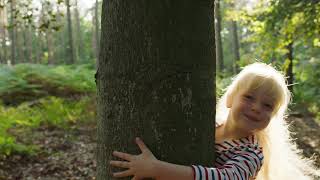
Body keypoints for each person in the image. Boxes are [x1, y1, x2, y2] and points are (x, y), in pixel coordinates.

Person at [109, 62, 319, 180]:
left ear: (272, 117)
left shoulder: (250, 154)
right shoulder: (208, 126)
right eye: (248, 97)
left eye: (267, 106)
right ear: (230, 99)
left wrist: (156, 169)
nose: (256, 108)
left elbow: (222, 178)